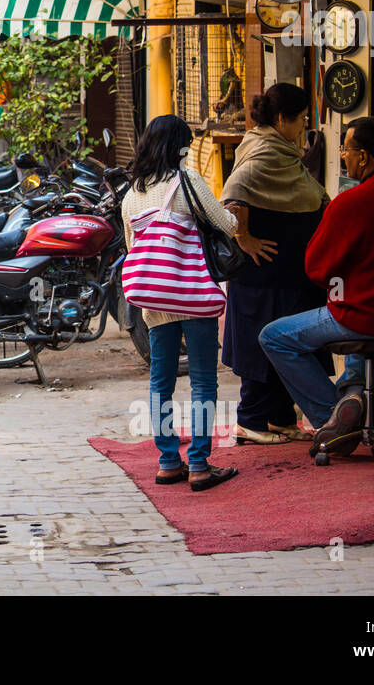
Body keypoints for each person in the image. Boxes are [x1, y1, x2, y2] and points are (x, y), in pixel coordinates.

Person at [259, 116, 374, 456]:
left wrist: (341, 279)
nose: (344, 157)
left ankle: (331, 417)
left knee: (274, 337)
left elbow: (317, 268)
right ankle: (352, 396)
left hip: (359, 315)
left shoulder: (350, 202)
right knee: (365, 341)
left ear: (363, 156)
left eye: (346, 150)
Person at [121, 115, 240, 492]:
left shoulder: (131, 195)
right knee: (203, 382)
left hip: (155, 303)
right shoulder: (186, 182)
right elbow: (227, 224)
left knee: (161, 383)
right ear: (179, 147)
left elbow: (133, 249)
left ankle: (169, 462)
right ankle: (201, 465)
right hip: (192, 296)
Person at [219, 84, 328, 446]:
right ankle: (251, 421)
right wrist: (244, 238)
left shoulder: (277, 147)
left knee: (288, 345)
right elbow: (234, 194)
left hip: (288, 273)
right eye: (300, 119)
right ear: (283, 118)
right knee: (260, 347)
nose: (302, 126)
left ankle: (280, 419)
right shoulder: (265, 152)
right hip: (264, 274)